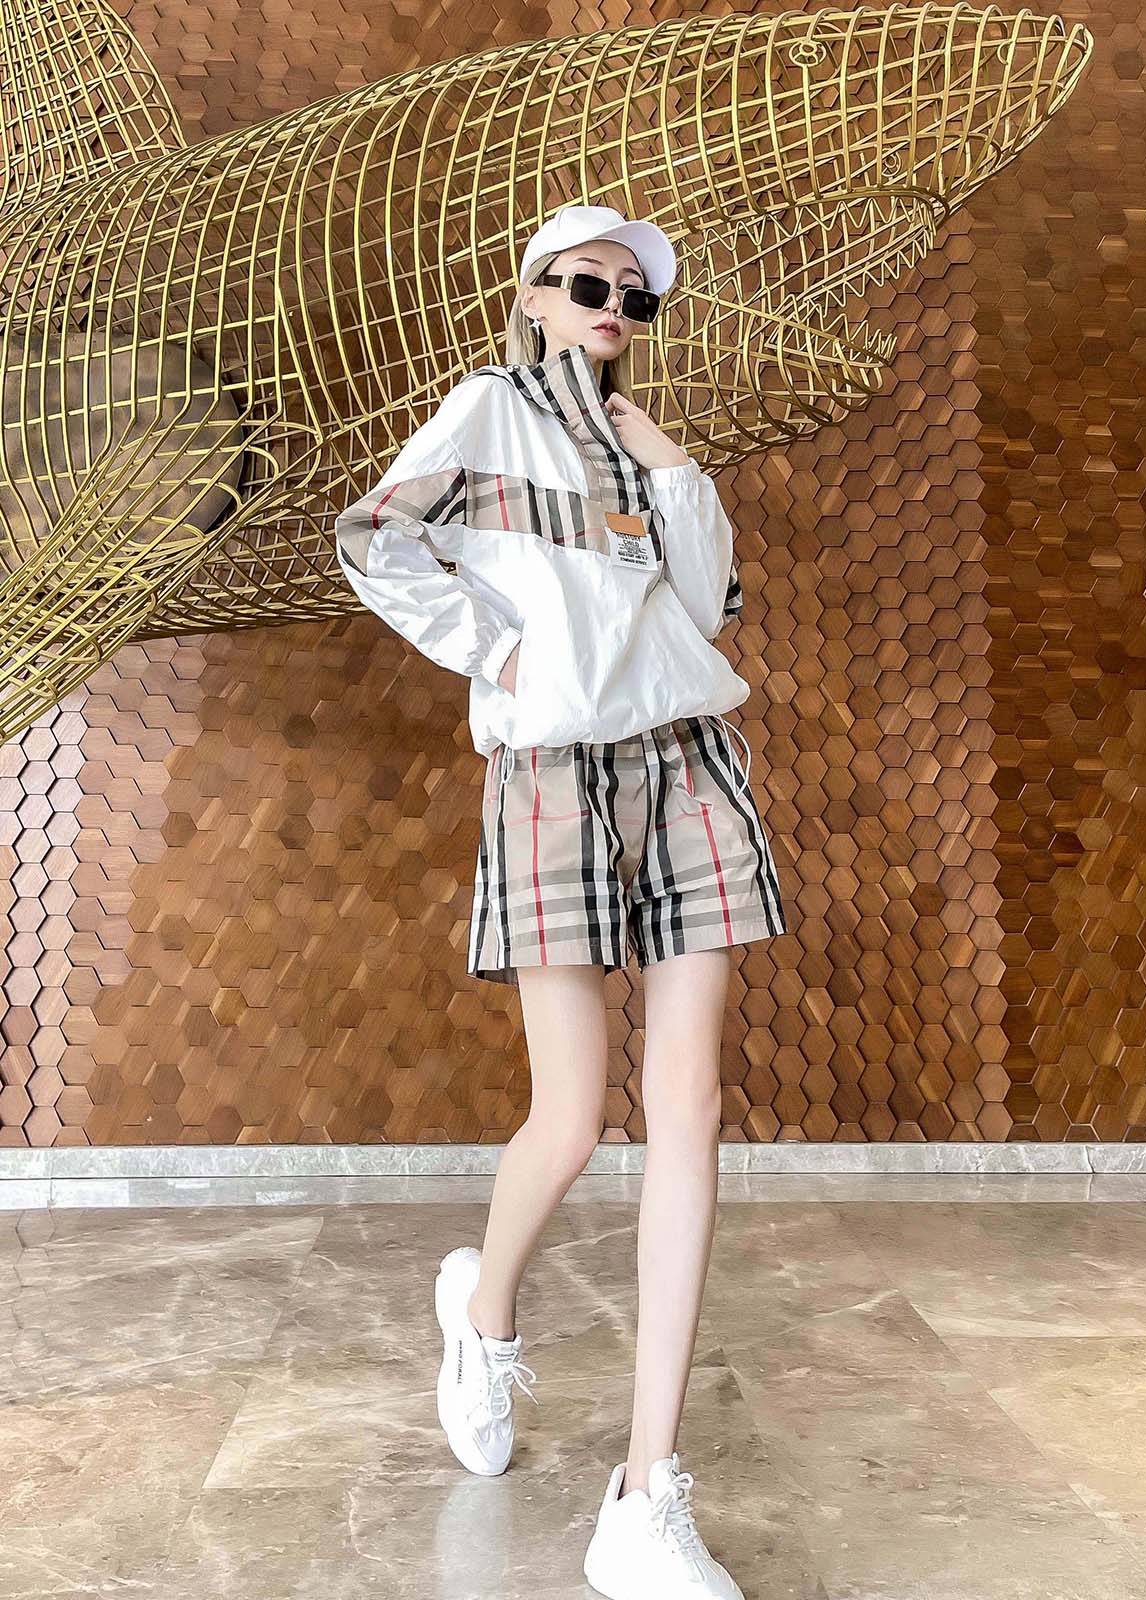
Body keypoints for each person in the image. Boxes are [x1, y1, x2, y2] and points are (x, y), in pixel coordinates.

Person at [334, 201, 789, 1600]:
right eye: (589, 284)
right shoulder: (486, 413)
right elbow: (372, 537)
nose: (612, 308)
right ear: (533, 294)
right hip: (551, 774)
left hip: (688, 760)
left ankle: (647, 1494)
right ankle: (482, 1314)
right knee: (576, 1115)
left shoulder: (647, 449)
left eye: (635, 298)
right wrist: (495, 649)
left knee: (690, 1108)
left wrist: (676, 468)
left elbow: (702, 610)